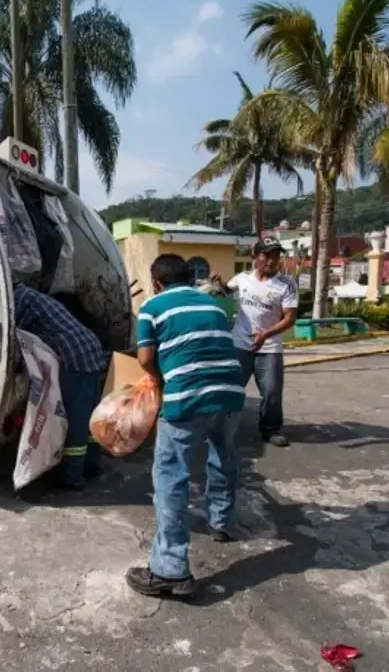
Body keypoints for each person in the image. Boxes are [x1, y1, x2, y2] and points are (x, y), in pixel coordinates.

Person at [125, 254, 245, 599]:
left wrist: (161, 382)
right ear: (191, 279)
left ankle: (169, 569)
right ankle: (222, 523)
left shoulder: (151, 307)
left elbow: (146, 358)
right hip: (231, 392)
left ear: (156, 282)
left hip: (187, 397)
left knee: (171, 475)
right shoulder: (214, 306)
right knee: (222, 455)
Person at [13, 283, 106, 490]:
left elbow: (11, 335)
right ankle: (91, 465)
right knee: (89, 414)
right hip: (89, 347)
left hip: (74, 356)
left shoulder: (18, 300)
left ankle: (71, 477)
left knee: (75, 419)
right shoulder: (33, 294)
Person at [212, 236, 298, 448]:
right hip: (239, 345)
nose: (271, 260)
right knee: (231, 387)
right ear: (255, 257)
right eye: (266, 255)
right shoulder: (242, 278)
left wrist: (266, 335)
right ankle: (220, 427)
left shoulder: (286, 285)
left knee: (271, 391)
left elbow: (290, 318)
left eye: (276, 255)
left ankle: (270, 429)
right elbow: (226, 290)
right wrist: (218, 282)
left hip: (269, 348)